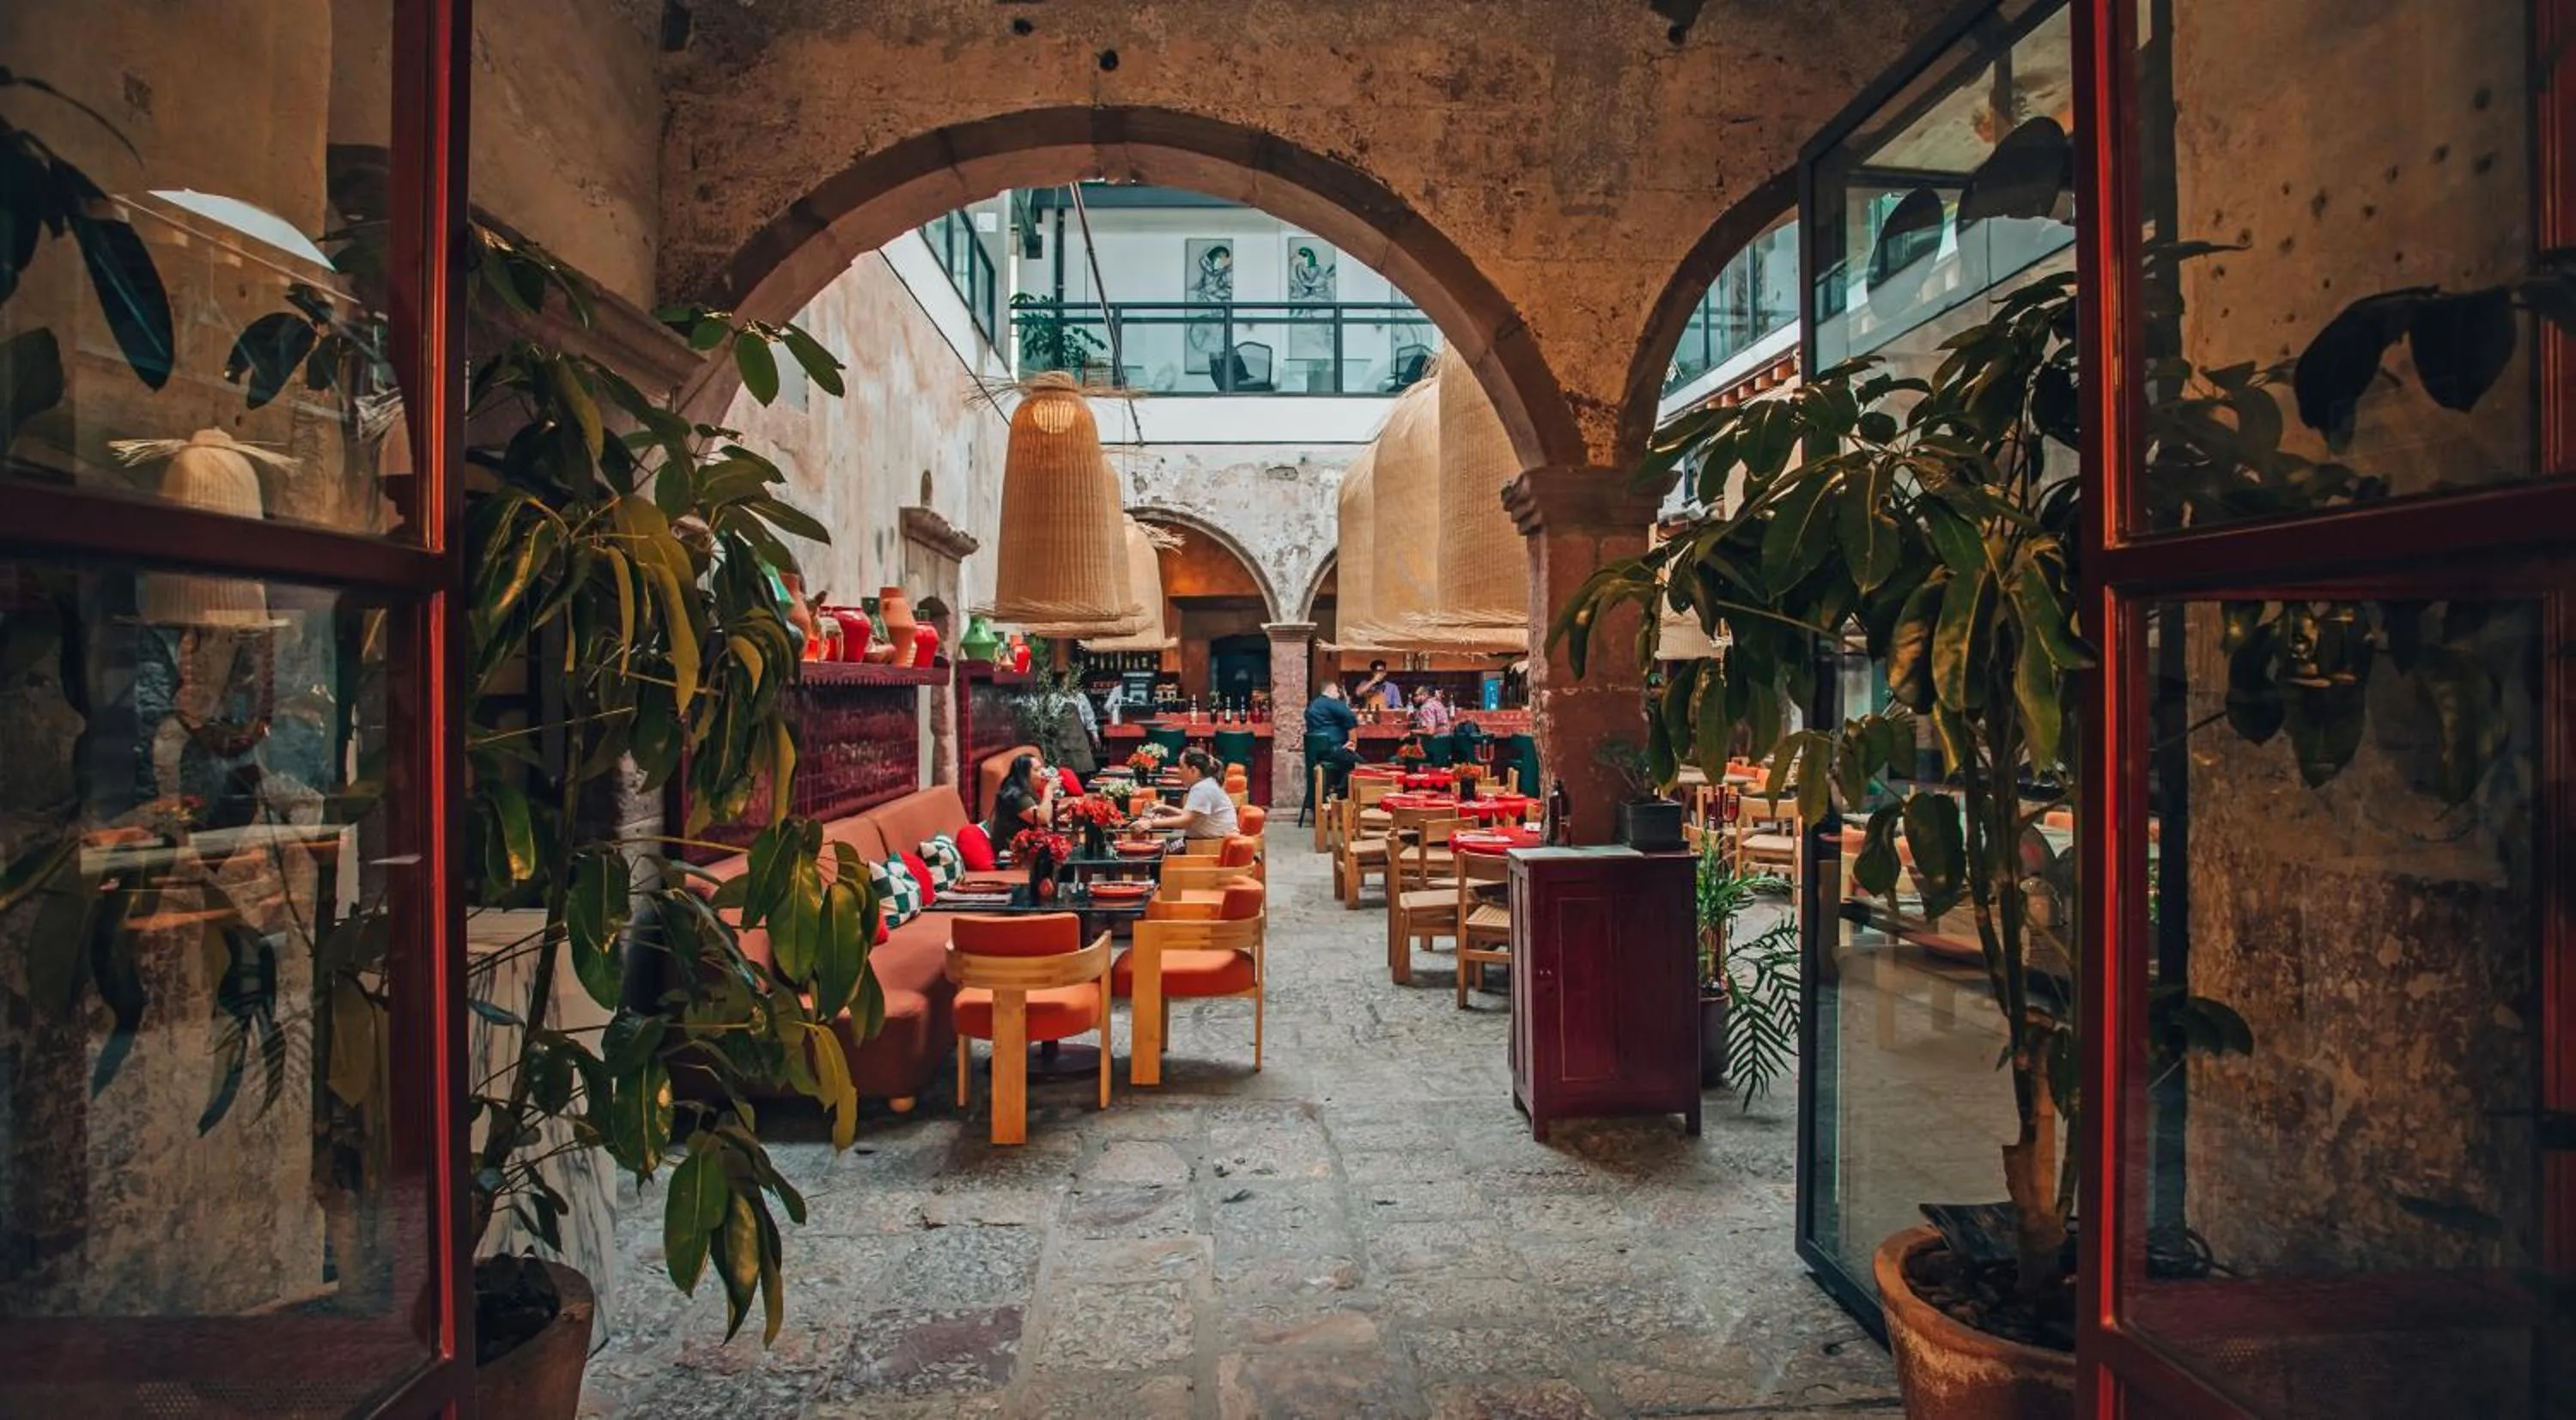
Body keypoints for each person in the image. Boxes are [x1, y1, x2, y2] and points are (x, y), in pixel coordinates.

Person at [1142, 748, 1239, 840]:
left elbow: (1185, 821)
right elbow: (1194, 816)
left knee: (1159, 843)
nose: (1178, 772)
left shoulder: (1202, 788)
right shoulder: (1207, 783)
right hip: (1214, 841)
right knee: (1166, 839)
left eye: (1181, 767)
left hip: (1212, 846)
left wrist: (1150, 823)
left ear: (1193, 770)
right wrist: (1167, 809)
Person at [986, 753, 1050, 846]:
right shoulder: (1017, 795)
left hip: (1026, 846)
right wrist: (1049, 790)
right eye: (1037, 770)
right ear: (1024, 774)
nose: (1042, 774)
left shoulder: (1025, 789)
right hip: (1011, 852)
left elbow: (1044, 814)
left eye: (1041, 769)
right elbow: (1042, 818)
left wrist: (1067, 806)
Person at [1304, 679, 1358, 748]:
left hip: (1314, 747)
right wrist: (1352, 742)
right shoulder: (1334, 704)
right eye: (1337, 691)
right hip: (1335, 747)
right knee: (1358, 759)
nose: (1338, 695)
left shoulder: (1312, 705)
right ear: (1331, 691)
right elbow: (1350, 718)